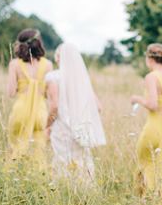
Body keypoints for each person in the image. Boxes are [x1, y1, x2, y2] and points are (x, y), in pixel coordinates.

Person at [45, 43, 106, 181]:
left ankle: (64, 193)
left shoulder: (53, 77)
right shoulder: (81, 80)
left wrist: (47, 125)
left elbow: (54, 107)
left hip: (62, 129)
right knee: (81, 165)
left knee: (62, 163)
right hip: (81, 129)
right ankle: (83, 195)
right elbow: (98, 107)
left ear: (58, 58)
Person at [131, 44, 162, 195]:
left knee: (144, 172)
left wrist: (137, 98)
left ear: (149, 58)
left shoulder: (151, 77)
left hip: (153, 132)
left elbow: (152, 105)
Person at [7, 29, 52, 163]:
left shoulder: (15, 64)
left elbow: (10, 92)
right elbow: (48, 94)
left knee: (16, 148)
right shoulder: (48, 65)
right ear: (39, 43)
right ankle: (38, 176)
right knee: (39, 151)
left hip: (20, 111)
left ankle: (15, 173)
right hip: (40, 111)